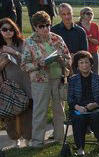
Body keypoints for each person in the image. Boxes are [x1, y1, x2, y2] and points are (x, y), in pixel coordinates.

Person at [21, 10, 70, 148]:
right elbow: (24, 65)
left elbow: (68, 57)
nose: (45, 29)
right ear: (35, 27)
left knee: (59, 111)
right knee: (40, 111)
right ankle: (37, 142)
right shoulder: (29, 42)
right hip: (39, 81)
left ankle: (60, 138)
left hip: (58, 79)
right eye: (41, 26)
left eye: (47, 25)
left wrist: (62, 60)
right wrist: (38, 64)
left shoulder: (57, 39)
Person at [67, 50, 99, 156]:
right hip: (79, 109)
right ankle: (80, 148)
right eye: (81, 63)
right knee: (79, 118)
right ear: (77, 65)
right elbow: (70, 99)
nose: (84, 65)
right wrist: (77, 107)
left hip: (95, 108)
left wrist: (95, 104)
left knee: (96, 116)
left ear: (91, 64)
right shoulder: (72, 80)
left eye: (86, 62)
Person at [0, 17, 31, 148]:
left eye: (11, 29)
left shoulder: (22, 43)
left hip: (24, 81)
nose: (8, 32)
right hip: (8, 84)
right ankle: (14, 139)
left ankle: (28, 139)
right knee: (10, 113)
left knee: (27, 111)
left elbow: (29, 59)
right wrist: (5, 61)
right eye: (4, 29)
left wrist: (14, 52)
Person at [77, 7, 99, 73]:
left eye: (91, 13)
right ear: (82, 15)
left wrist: (90, 39)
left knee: (95, 73)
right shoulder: (77, 26)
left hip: (94, 53)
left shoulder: (95, 26)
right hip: (81, 54)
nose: (90, 15)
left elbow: (98, 42)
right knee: (81, 73)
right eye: (88, 13)